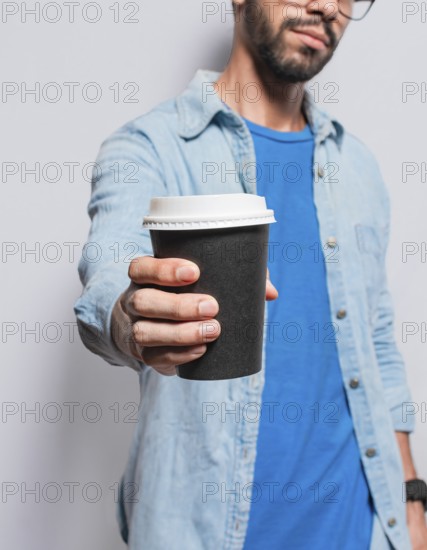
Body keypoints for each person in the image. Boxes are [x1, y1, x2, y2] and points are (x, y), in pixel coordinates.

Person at [74, 1, 427, 548]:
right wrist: (131, 319)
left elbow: (377, 340)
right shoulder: (149, 149)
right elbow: (109, 281)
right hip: (206, 532)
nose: (324, 6)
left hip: (361, 531)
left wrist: (412, 499)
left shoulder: (358, 166)